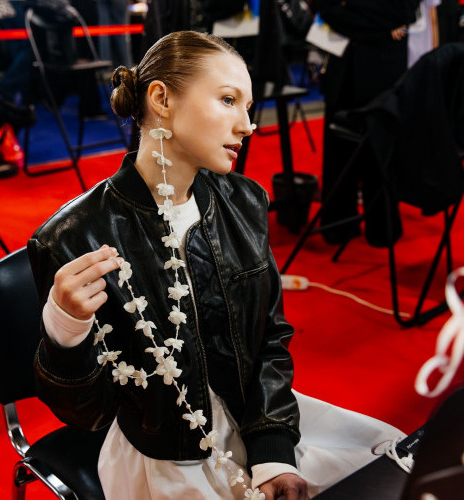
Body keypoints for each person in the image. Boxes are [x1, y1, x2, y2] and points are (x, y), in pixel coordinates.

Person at [28, 31, 403, 499]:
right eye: (228, 100)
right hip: (164, 458)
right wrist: (65, 330)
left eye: (248, 107)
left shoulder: (245, 202)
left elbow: (269, 338)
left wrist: (272, 452)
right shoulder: (72, 237)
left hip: (261, 419)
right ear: (161, 99)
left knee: (395, 468)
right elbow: (89, 414)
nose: (248, 126)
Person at [317, 0, 419, 247]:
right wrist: (381, 30)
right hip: (344, 63)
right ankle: (339, 224)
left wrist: (351, 6)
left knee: (380, 148)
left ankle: (382, 225)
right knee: (338, 150)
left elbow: (402, 11)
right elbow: (327, 8)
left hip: (384, 69)